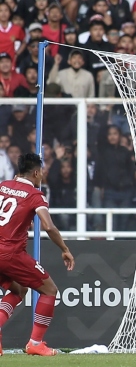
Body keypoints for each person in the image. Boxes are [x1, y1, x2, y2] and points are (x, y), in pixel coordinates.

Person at [0, 153, 75, 356]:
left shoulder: (2, 186)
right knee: (49, 290)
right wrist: (65, 249)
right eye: (41, 172)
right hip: (10, 253)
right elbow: (48, 227)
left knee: (19, 290)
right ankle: (35, 342)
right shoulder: (35, 195)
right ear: (35, 172)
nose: (42, 175)